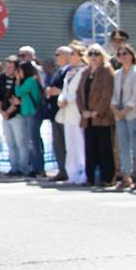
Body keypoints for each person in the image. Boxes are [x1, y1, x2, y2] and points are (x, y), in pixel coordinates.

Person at [77, 44, 115, 186]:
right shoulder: (85, 72)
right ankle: (90, 177)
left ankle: (107, 178)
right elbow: (79, 94)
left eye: (97, 54)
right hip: (87, 118)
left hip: (102, 117)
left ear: (102, 56)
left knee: (105, 147)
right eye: (91, 54)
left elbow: (107, 94)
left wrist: (96, 112)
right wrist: (83, 111)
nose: (93, 57)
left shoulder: (106, 71)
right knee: (90, 148)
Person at [112, 44, 136, 190]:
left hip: (135, 112)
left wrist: (125, 110)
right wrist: (115, 109)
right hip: (119, 114)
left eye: (125, 53)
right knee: (123, 146)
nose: (122, 56)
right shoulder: (117, 74)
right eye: (119, 54)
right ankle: (126, 176)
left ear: (132, 55)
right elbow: (114, 94)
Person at [56, 42, 87, 184]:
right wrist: (61, 99)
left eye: (73, 54)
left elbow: (81, 92)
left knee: (80, 143)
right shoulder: (69, 72)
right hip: (67, 111)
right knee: (70, 144)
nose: (70, 57)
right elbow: (64, 90)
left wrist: (69, 99)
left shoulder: (84, 71)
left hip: (77, 111)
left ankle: (83, 172)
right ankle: (72, 173)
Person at [45, 47, 73, 181]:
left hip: (65, 112)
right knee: (58, 143)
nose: (56, 57)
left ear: (67, 56)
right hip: (55, 112)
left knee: (66, 143)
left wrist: (59, 91)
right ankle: (62, 169)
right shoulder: (58, 71)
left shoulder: (70, 70)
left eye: (59, 54)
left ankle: (68, 170)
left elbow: (68, 89)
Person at [12, 61, 44, 178]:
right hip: (27, 113)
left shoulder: (30, 81)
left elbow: (18, 92)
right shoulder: (29, 81)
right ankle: (35, 167)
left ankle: (38, 168)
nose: (18, 73)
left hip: (32, 113)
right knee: (31, 141)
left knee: (33, 142)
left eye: (20, 71)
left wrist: (17, 80)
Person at [0, 56, 26, 176]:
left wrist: (8, 112)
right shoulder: (2, 77)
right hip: (5, 115)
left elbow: (17, 99)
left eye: (11, 67)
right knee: (10, 143)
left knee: (20, 142)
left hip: (16, 114)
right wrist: (2, 111)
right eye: (7, 66)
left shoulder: (19, 80)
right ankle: (13, 167)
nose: (8, 69)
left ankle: (23, 168)